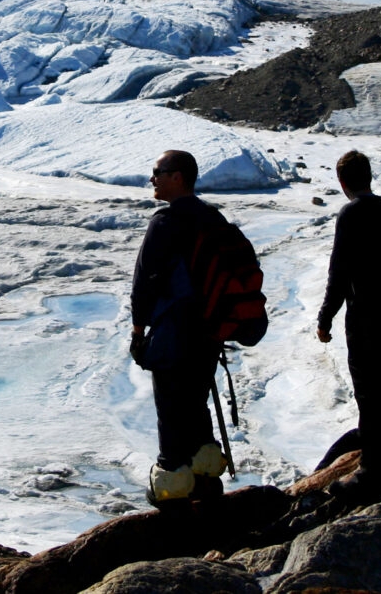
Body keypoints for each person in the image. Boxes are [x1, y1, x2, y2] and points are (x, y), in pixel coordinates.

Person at [316, 150, 381, 501]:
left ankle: (372, 469)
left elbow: (340, 271)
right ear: (369, 176)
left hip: (366, 316)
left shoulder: (351, 214)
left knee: (370, 389)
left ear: (343, 181)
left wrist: (325, 316)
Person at [129, 150, 229, 506]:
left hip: (174, 329)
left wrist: (138, 330)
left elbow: (145, 281)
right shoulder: (214, 218)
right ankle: (205, 475)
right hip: (210, 332)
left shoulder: (165, 223)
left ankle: (171, 486)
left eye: (158, 172)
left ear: (178, 177)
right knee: (195, 402)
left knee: (171, 407)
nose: (153, 179)